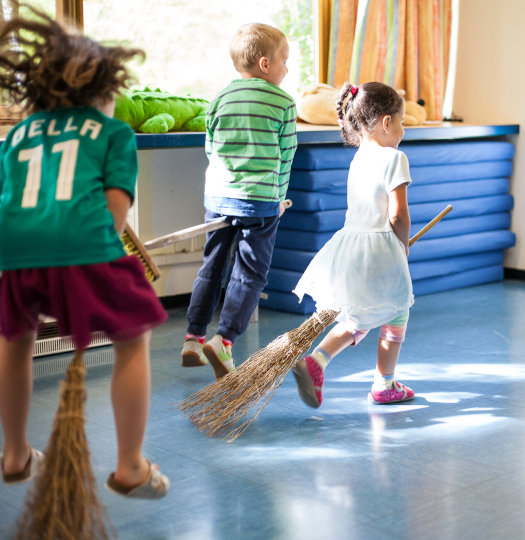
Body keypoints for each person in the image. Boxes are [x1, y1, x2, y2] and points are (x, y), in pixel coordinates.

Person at [0, 8, 170, 497]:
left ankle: (13, 454)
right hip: (83, 244)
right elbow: (114, 215)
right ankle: (131, 465)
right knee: (131, 338)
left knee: (15, 341)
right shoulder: (113, 134)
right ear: (105, 91)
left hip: (14, 253)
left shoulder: (17, 136)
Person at [181, 23, 296, 379]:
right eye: (284, 62)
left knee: (211, 265)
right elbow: (287, 154)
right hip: (260, 201)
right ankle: (225, 341)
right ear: (265, 64)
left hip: (218, 196)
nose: (286, 69)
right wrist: (278, 200)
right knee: (250, 272)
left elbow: (210, 148)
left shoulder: (218, 99)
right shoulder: (283, 102)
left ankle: (193, 337)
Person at [291, 81, 416, 407]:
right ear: (386, 121)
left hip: (349, 246)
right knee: (397, 311)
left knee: (359, 314)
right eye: (401, 121)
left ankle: (316, 361)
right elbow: (398, 214)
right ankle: (384, 384)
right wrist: (402, 246)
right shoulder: (394, 157)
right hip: (380, 248)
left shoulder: (359, 158)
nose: (402, 130)